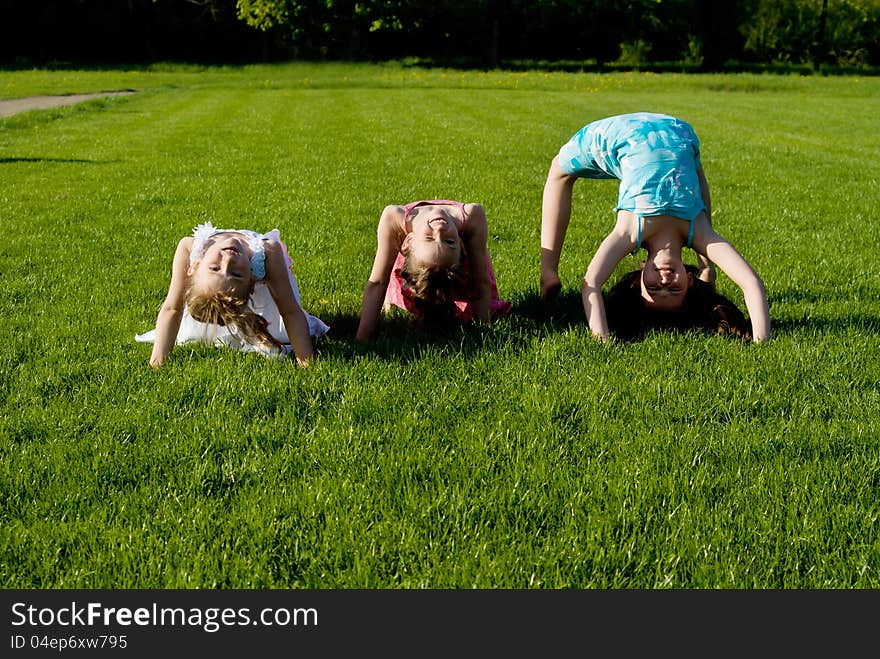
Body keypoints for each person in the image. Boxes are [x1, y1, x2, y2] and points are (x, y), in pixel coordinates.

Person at [539, 111, 769, 342]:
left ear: (638, 279)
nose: (664, 282)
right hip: (678, 131)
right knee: (695, 174)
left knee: (558, 172)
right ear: (690, 280)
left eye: (653, 288)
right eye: (674, 290)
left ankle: (548, 273)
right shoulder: (700, 233)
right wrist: (762, 340)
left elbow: (592, 283)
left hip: (621, 135)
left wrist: (603, 340)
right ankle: (705, 266)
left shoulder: (629, 232)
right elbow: (750, 282)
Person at [137, 222, 328, 367]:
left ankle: (255, 331)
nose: (227, 260)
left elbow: (288, 310)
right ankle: (240, 332)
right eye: (235, 274)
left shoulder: (268, 252)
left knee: (282, 332)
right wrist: (157, 362)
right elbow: (172, 308)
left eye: (215, 268)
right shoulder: (266, 250)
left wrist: (305, 361)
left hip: (268, 303)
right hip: (228, 298)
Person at [356, 200, 511, 341]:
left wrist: (482, 327)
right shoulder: (472, 214)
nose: (439, 230)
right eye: (449, 241)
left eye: (429, 238)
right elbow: (378, 282)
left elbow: (480, 280)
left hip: (454, 269)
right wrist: (363, 338)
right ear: (461, 245)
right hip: (428, 267)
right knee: (423, 263)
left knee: (428, 263)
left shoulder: (394, 216)